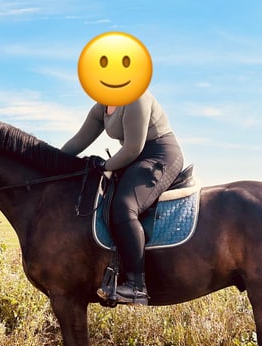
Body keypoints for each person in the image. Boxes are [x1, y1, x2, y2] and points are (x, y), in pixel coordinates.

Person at [62, 91, 183, 304]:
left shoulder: (136, 98)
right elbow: (78, 141)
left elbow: (133, 148)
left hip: (160, 155)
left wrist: (105, 166)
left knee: (124, 206)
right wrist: (53, 161)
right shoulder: (102, 107)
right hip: (135, 159)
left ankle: (137, 286)